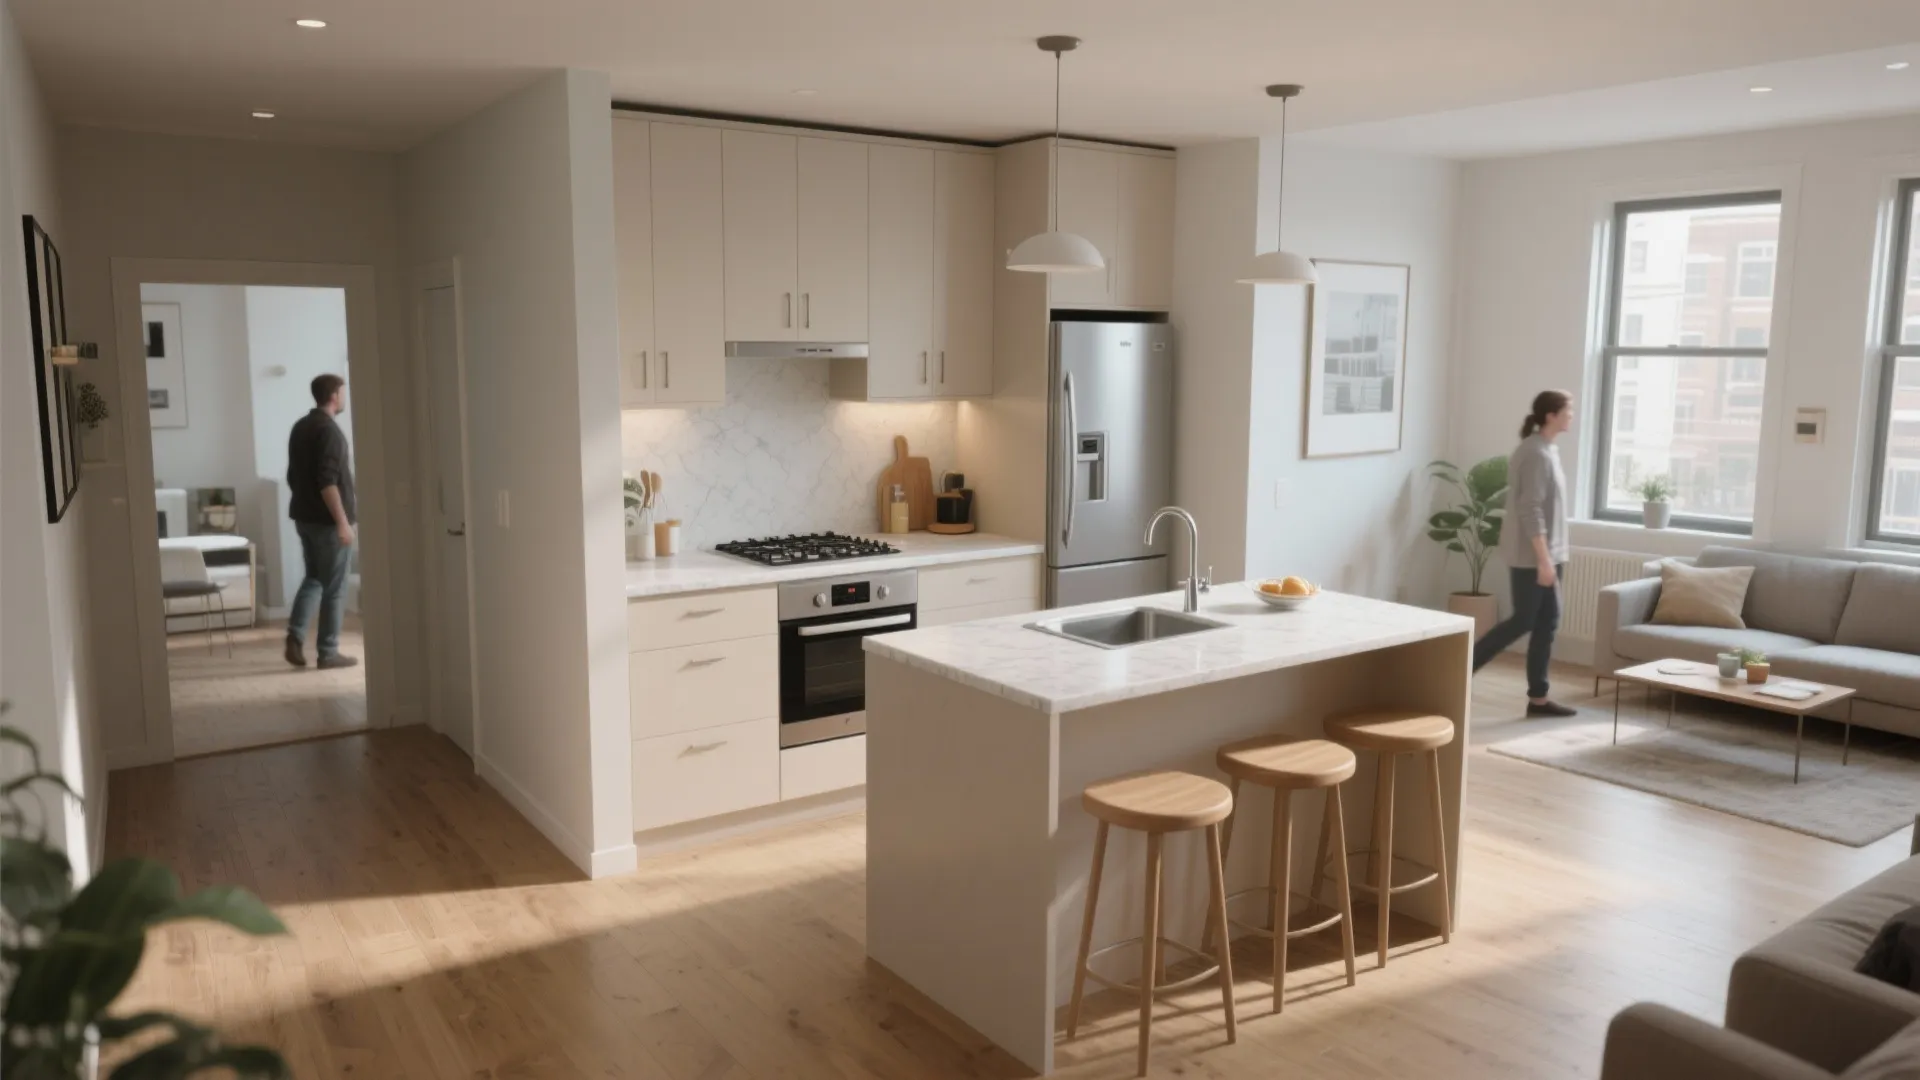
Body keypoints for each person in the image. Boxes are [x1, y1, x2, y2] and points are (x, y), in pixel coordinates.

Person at [1472, 390, 1576, 717]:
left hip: (1550, 554)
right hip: (1534, 556)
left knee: (1547, 623)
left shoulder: (1548, 450)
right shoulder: (1534, 454)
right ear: (1551, 415)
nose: (1571, 415)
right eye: (1567, 410)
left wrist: (1552, 557)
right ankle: (1459, 669)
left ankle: (1539, 699)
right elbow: (1530, 509)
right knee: (1523, 621)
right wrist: (1543, 560)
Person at [284, 373, 359, 670]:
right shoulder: (329, 431)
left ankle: (295, 636)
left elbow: (294, 476)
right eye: (343, 392)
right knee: (335, 586)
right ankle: (328, 653)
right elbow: (328, 481)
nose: (344, 398)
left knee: (314, 578)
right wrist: (342, 522)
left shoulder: (301, 427)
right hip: (328, 524)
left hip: (305, 519)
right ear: (334, 395)